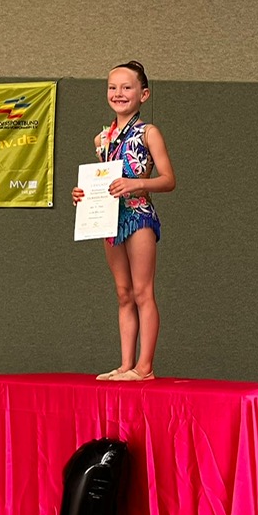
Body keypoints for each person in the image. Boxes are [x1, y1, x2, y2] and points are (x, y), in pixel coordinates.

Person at [72, 60, 177, 380]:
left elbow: (168, 180)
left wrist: (137, 184)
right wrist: (83, 193)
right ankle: (125, 363)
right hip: (109, 217)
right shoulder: (101, 139)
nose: (118, 93)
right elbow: (103, 180)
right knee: (123, 292)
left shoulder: (148, 133)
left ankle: (145, 367)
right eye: (112, 87)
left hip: (138, 214)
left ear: (143, 94)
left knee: (143, 291)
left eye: (127, 87)